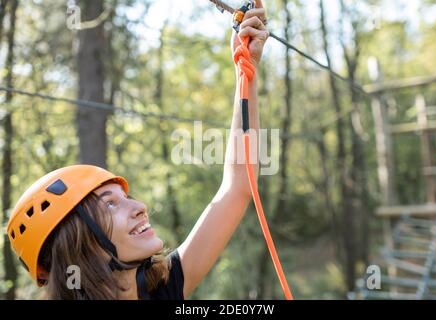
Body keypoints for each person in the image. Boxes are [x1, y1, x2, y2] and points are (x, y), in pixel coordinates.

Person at [6, 1, 269, 300]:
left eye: (125, 198)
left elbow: (238, 186)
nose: (140, 206)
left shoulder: (162, 289)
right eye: (109, 205)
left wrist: (245, 70)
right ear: (77, 244)